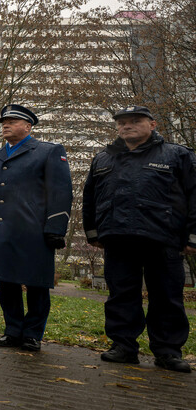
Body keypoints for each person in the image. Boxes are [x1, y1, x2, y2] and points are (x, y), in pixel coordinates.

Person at [83, 105, 196, 373]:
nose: (127, 126)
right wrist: (93, 232)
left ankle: (168, 352)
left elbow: (194, 197)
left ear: (153, 125)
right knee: (121, 295)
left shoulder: (177, 155)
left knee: (167, 296)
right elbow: (90, 198)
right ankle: (123, 347)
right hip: (118, 238)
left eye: (135, 121)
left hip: (163, 238)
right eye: (122, 123)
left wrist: (192, 235)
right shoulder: (103, 158)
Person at [0, 104, 72, 352]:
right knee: (6, 283)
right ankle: (12, 331)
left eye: (12, 121)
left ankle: (32, 334)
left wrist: (56, 227)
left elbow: (60, 192)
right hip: (0, 231)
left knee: (37, 285)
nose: (5, 125)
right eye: (3, 121)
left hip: (34, 231)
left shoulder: (48, 152)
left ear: (28, 126)